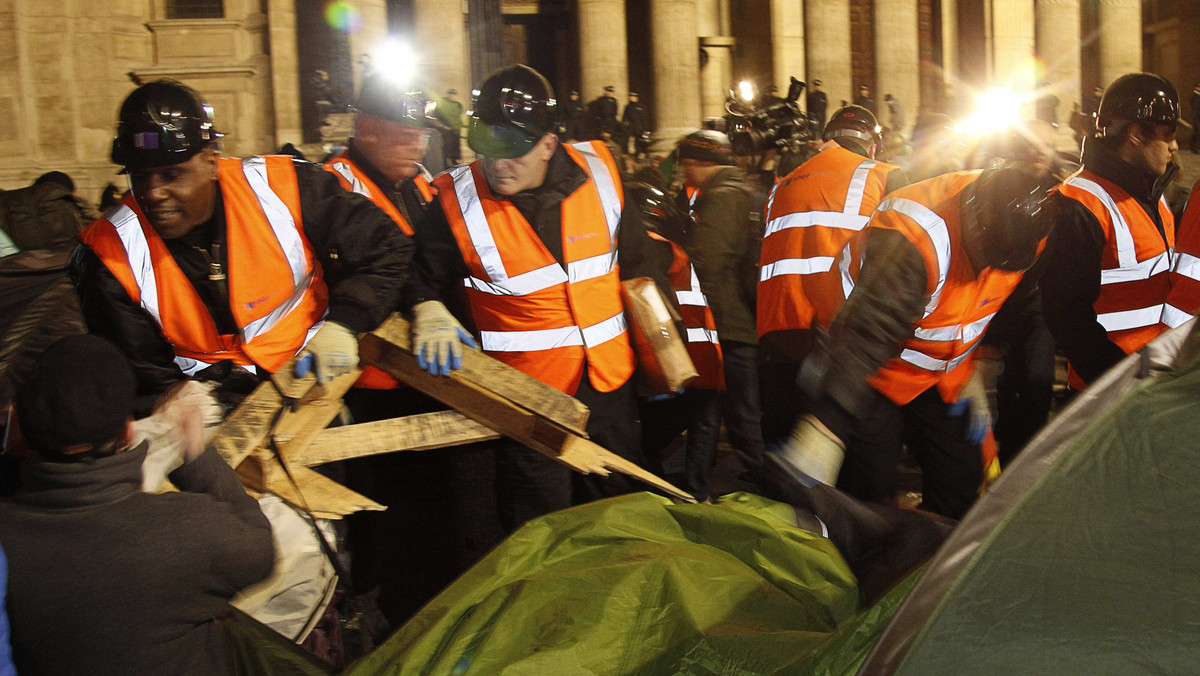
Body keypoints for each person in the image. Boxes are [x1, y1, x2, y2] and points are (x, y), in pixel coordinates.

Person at [407, 64, 669, 530]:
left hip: (608, 389)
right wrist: (425, 306)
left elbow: (641, 268)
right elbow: (418, 273)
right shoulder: (454, 199)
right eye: (487, 151)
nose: (497, 165)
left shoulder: (602, 174)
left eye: (512, 153)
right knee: (542, 529)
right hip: (525, 403)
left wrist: (664, 359)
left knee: (620, 521)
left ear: (549, 144)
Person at [72, 80, 413, 415]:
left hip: (318, 386)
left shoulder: (286, 188)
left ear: (210, 161)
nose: (153, 192)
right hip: (207, 419)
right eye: (139, 177)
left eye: (171, 174)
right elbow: (141, 369)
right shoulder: (107, 253)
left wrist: (345, 323)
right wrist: (183, 404)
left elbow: (387, 247)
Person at [769, 163, 1057, 519]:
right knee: (868, 495)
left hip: (940, 368)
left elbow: (1017, 306)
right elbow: (868, 335)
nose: (991, 267)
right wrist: (828, 427)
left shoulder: (1030, 229)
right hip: (868, 367)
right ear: (971, 218)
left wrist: (977, 362)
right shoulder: (913, 234)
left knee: (961, 485)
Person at [0, 334, 273, 675]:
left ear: (18, 430)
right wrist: (197, 457)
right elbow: (262, 551)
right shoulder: (183, 531)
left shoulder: (6, 541)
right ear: (128, 433)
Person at [757, 105, 907, 443]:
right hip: (847, 332)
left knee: (784, 451)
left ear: (826, 140)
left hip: (780, 331)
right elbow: (902, 258)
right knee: (856, 456)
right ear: (872, 145)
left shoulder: (780, 187)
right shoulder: (885, 175)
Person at [1040, 72, 1180, 391]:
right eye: (1167, 134)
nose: (1174, 146)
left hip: (1157, 381)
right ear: (1135, 134)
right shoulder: (1078, 205)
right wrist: (1122, 382)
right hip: (1112, 393)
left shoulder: (1155, 194)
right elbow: (1067, 316)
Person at [675, 129, 766, 487]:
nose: (683, 171)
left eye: (685, 163)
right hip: (731, 323)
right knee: (711, 410)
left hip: (725, 324)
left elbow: (707, 262)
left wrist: (697, 318)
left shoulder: (722, 197)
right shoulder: (734, 191)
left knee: (734, 415)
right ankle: (695, 485)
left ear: (700, 162)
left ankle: (761, 486)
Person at [630, 182, 726, 501]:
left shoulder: (649, 247)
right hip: (704, 353)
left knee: (655, 433)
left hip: (671, 354)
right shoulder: (681, 247)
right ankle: (696, 491)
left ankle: (655, 490)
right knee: (703, 423)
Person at [622, 91, 653, 161]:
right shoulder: (628, 107)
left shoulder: (642, 108)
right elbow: (625, 120)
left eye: (633, 96)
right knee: (631, 150)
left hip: (641, 133)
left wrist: (646, 134)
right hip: (632, 133)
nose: (631, 98)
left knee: (641, 149)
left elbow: (645, 122)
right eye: (630, 96)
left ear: (636, 98)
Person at [440, 88, 465, 165]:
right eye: (451, 94)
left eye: (453, 95)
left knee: (456, 144)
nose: (452, 96)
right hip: (447, 128)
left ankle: (455, 159)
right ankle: (447, 159)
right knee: (447, 145)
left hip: (456, 128)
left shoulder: (458, 104)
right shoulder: (445, 104)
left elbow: (459, 114)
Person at [1190, 82, 1200, 154]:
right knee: (1197, 132)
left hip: (1197, 116)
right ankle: (1195, 147)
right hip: (1197, 117)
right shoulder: (1195, 96)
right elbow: (1196, 108)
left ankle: (1195, 147)